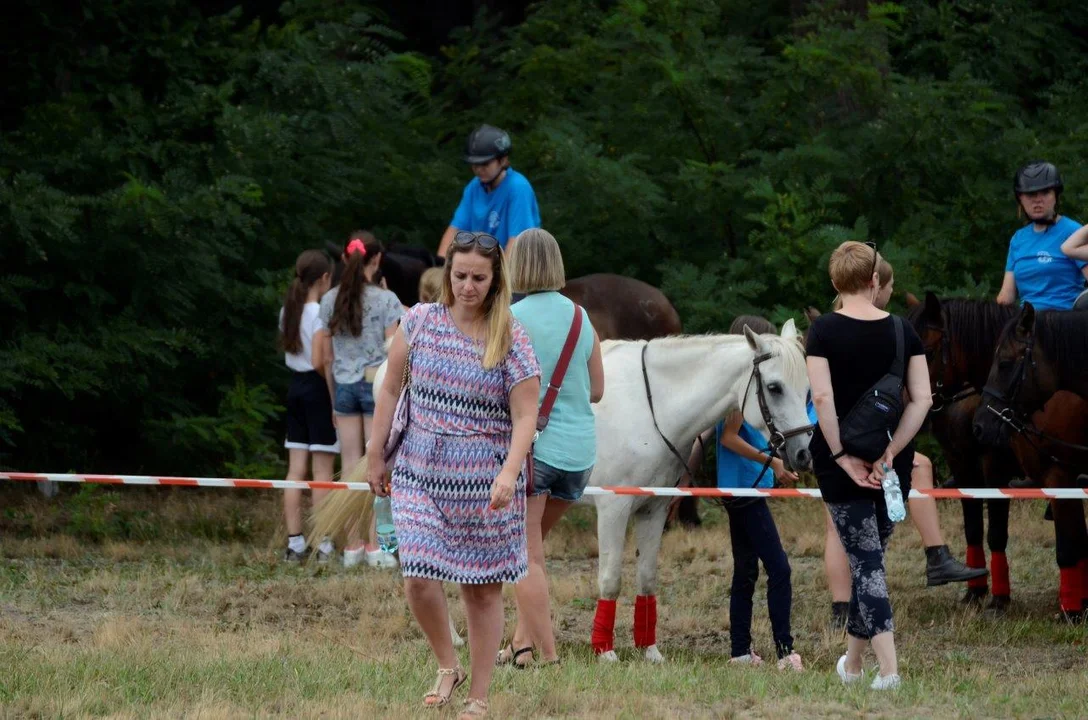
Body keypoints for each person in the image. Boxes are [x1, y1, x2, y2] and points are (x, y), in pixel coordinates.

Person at [365, 231, 541, 719]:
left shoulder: (511, 337)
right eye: (460, 275)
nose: (467, 286)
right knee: (418, 576)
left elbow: (526, 415)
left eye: (478, 278)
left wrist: (509, 473)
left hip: (485, 484)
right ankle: (447, 663)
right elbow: (389, 391)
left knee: (481, 589)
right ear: (448, 275)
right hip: (419, 471)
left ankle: (479, 695)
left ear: (495, 280)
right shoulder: (419, 322)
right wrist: (375, 453)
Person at [825, 258, 985, 627]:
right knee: (839, 523)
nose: (892, 293)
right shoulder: (884, 330)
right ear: (875, 283)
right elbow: (915, 396)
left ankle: (929, 558)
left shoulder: (832, 328)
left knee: (846, 519)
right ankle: (849, 605)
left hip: (845, 436)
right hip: (858, 437)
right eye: (890, 286)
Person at [806, 241, 933, 690]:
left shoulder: (821, 333)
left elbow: (822, 398)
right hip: (889, 462)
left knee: (867, 564)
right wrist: (892, 451)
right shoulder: (903, 331)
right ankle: (854, 666)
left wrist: (841, 456)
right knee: (870, 560)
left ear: (836, 284)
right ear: (875, 281)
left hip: (838, 462)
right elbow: (922, 399)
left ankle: (889, 672)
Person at [498, 228, 605, 668]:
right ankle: (520, 645)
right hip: (580, 455)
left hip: (533, 452)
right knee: (532, 547)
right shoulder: (582, 317)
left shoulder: (509, 318)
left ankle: (548, 655)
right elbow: (597, 390)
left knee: (527, 556)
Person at [713, 315, 804, 672]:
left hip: (745, 486)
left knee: (746, 571)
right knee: (779, 568)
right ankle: (785, 651)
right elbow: (728, 437)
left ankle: (739, 652)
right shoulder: (742, 388)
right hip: (743, 486)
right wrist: (773, 461)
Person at [313, 231, 405, 568]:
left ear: (343, 260)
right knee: (375, 465)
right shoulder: (386, 300)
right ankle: (377, 546)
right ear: (377, 260)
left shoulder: (330, 300)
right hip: (375, 386)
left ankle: (352, 546)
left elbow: (325, 358)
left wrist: (333, 395)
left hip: (344, 386)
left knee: (350, 465)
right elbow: (393, 351)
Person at [278, 249, 338, 562]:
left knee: (295, 470)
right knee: (322, 471)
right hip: (316, 388)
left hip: (295, 388)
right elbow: (322, 360)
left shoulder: (287, 310)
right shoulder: (319, 312)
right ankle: (324, 543)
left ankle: (295, 542)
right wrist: (333, 399)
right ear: (325, 278)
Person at [437, 125, 541, 259]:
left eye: (485, 164)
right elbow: (454, 231)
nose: (478, 170)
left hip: (513, 268)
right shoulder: (474, 187)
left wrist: (502, 279)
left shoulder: (518, 187)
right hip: (482, 269)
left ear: (503, 160)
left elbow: (517, 244)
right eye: (474, 165)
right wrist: (440, 268)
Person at [996, 161, 1087, 310]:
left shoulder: (1074, 233)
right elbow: (1006, 296)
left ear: (1056, 196)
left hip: (1064, 321)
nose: (1038, 200)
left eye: (1045, 192)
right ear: (1020, 198)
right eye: (1031, 194)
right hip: (1026, 323)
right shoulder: (1018, 239)